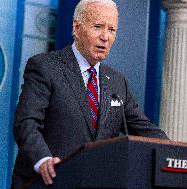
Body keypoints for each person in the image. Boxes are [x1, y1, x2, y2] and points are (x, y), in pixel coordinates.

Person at [11, 0, 168, 188]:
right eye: (98, 27)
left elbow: (146, 130)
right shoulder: (45, 67)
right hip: (48, 182)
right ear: (76, 28)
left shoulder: (118, 83)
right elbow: (26, 123)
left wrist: (176, 155)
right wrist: (43, 159)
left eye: (112, 30)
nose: (105, 37)